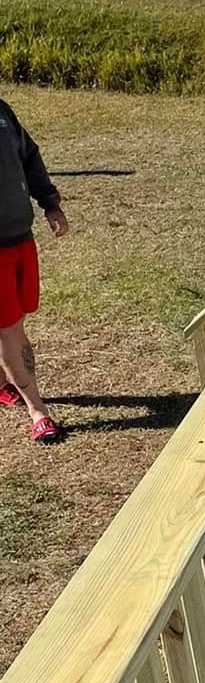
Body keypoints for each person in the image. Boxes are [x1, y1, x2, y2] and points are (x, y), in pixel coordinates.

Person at [0, 99, 68, 443]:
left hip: (20, 239)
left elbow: (28, 157)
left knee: (16, 319)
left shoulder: (3, 112)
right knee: (9, 330)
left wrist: (50, 203)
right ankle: (38, 411)